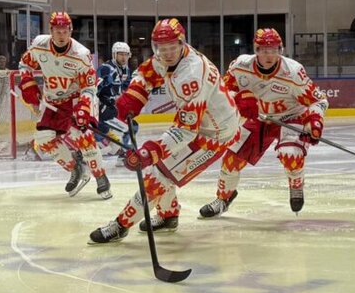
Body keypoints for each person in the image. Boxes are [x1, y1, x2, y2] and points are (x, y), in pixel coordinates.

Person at [88, 18, 240, 243]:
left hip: (214, 135)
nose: (166, 53)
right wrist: (134, 96)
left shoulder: (191, 74)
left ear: (181, 44)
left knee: (156, 176)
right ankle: (168, 216)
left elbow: (186, 130)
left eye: (171, 48)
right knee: (162, 172)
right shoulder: (167, 56)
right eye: (161, 48)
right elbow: (146, 73)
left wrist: (152, 151)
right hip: (199, 125)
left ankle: (121, 225)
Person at [200, 28, 328, 217]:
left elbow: (318, 100)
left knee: (290, 154)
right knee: (231, 158)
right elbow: (222, 93)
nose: (269, 55)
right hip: (259, 117)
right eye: (264, 50)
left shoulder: (293, 72)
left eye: (274, 50)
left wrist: (315, 121)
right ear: (256, 50)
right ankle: (223, 199)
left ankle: (296, 184)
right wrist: (239, 100)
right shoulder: (240, 67)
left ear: (281, 50)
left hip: (290, 117)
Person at [18, 12, 111, 199]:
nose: (61, 35)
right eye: (57, 31)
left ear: (71, 30)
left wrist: (84, 108)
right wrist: (28, 84)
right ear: (51, 31)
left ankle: (101, 176)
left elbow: (89, 85)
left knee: (82, 135)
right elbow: (24, 64)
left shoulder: (81, 54)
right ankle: (75, 168)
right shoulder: (39, 45)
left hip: (77, 98)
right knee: (43, 139)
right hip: (51, 99)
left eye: (65, 31)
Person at [97, 41, 137, 160]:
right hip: (101, 108)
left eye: (126, 54)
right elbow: (94, 88)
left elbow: (125, 88)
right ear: (114, 55)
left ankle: (121, 151)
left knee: (132, 126)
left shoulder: (126, 70)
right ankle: (120, 151)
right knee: (130, 127)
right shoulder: (106, 69)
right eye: (120, 54)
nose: (124, 57)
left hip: (111, 108)